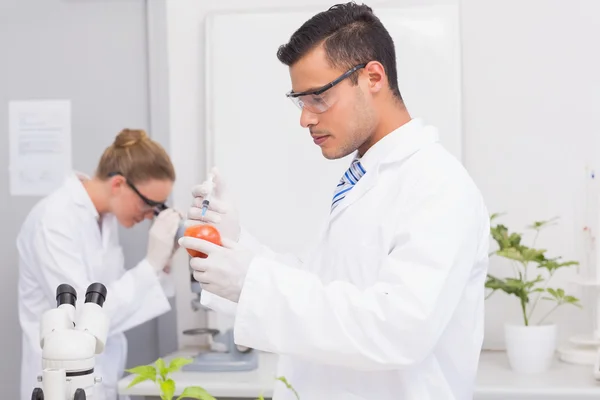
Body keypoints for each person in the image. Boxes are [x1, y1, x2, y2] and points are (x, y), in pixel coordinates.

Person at [179, 2, 490, 399]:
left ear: (372, 77)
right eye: (300, 101)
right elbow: (326, 286)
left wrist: (252, 282)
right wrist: (235, 247)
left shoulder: (439, 186)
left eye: (318, 98)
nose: (305, 119)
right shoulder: (365, 178)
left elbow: (397, 330)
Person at [17, 128, 182, 400]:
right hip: (60, 382)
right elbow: (84, 318)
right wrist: (149, 266)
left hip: (99, 377)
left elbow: (111, 296)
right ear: (118, 184)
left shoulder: (104, 219)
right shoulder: (54, 221)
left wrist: (162, 264)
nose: (150, 215)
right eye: (148, 204)